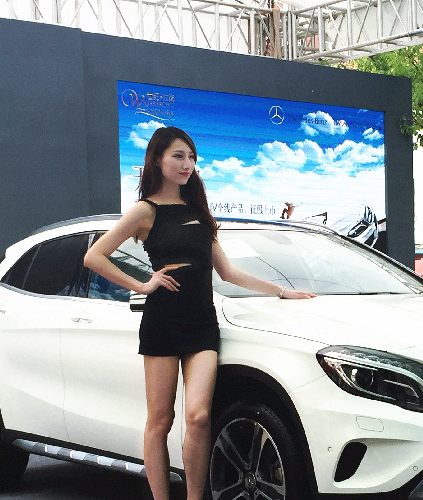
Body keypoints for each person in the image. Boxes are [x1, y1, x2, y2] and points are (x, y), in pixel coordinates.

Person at [83, 126, 315, 500]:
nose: (187, 164)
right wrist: (143, 284)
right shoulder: (144, 211)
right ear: (157, 159)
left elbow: (229, 272)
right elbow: (94, 256)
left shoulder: (199, 212)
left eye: (191, 157)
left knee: (199, 416)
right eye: (178, 156)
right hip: (162, 323)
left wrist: (282, 291)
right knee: (160, 421)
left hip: (202, 324)